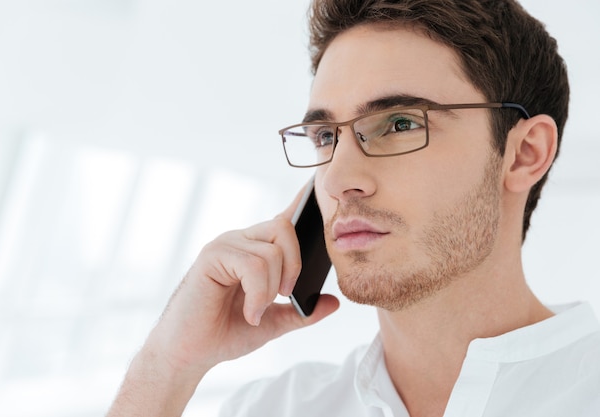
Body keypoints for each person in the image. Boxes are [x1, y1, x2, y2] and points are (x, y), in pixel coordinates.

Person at [106, 0, 600, 416]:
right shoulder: (274, 408)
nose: (338, 181)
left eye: (400, 124)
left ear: (524, 153)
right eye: (326, 137)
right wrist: (169, 364)